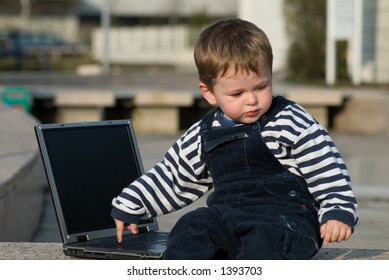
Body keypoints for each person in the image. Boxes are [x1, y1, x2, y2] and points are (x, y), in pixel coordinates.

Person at [111, 18, 358, 259]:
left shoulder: (288, 119)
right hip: (228, 221)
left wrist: (337, 210)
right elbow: (173, 174)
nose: (251, 100)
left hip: (286, 224)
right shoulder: (203, 132)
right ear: (209, 93)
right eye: (237, 93)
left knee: (264, 242)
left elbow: (325, 164)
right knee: (192, 225)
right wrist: (132, 202)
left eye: (261, 87)